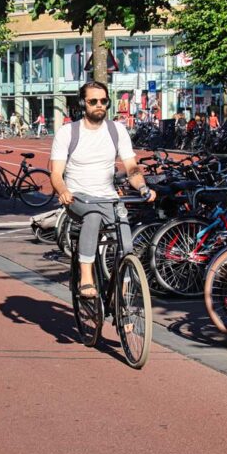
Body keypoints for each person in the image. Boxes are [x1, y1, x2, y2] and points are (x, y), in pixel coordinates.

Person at [49, 81, 155, 299]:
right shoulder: (68, 132)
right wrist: (63, 190)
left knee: (125, 238)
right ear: (82, 103)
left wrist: (143, 187)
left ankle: (123, 301)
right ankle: (86, 276)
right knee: (93, 216)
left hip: (109, 198)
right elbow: (56, 173)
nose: (99, 105)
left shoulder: (117, 130)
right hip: (79, 198)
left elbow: (131, 167)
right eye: (93, 101)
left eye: (103, 101)